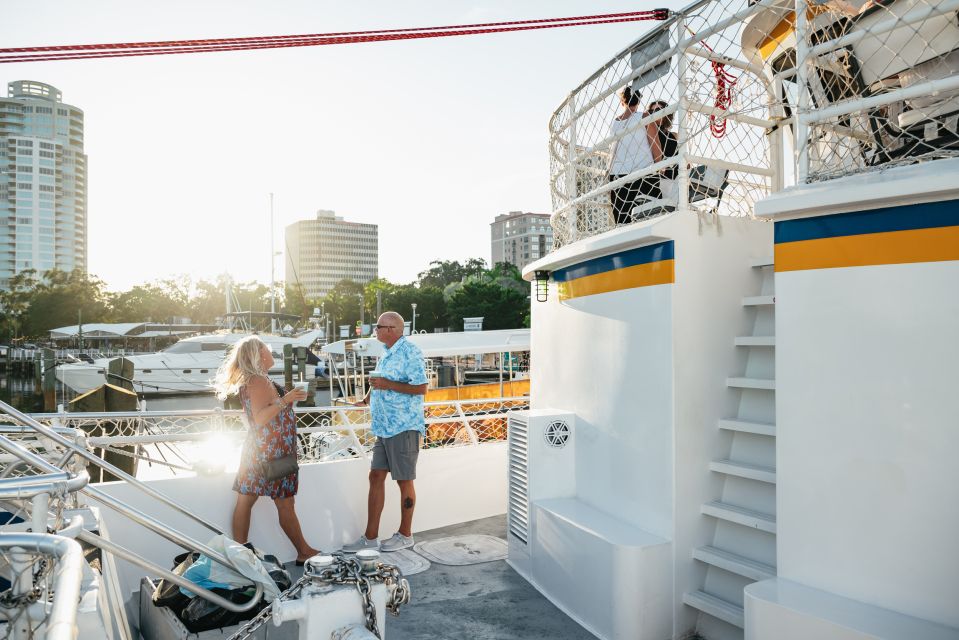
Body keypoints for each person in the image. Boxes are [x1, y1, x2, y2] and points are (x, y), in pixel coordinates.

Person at [213, 336, 319, 565]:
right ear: (260, 354)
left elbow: (267, 411)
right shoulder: (258, 381)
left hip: (260, 450)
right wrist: (287, 398)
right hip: (272, 452)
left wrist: (288, 399)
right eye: (268, 350)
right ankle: (303, 551)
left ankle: (239, 555)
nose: (272, 353)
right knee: (284, 503)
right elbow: (260, 418)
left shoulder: (256, 379)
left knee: (246, 500)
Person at [343, 311, 428, 553]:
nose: (375, 330)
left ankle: (405, 534)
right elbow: (380, 381)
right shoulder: (387, 353)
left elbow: (421, 387)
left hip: (403, 426)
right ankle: (370, 537)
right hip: (383, 426)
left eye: (378, 327)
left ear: (391, 329)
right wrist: (366, 399)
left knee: (404, 481)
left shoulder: (410, 352)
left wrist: (387, 385)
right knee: (375, 477)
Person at [608, 86, 663, 224]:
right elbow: (655, 146)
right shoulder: (644, 117)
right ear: (638, 101)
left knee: (623, 221)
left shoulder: (614, 123)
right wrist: (661, 167)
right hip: (643, 173)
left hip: (618, 176)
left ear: (622, 102)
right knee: (650, 218)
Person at [647, 100, 679, 200]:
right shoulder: (648, 132)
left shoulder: (673, 135)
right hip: (658, 178)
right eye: (651, 111)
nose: (654, 113)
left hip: (676, 176)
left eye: (657, 110)